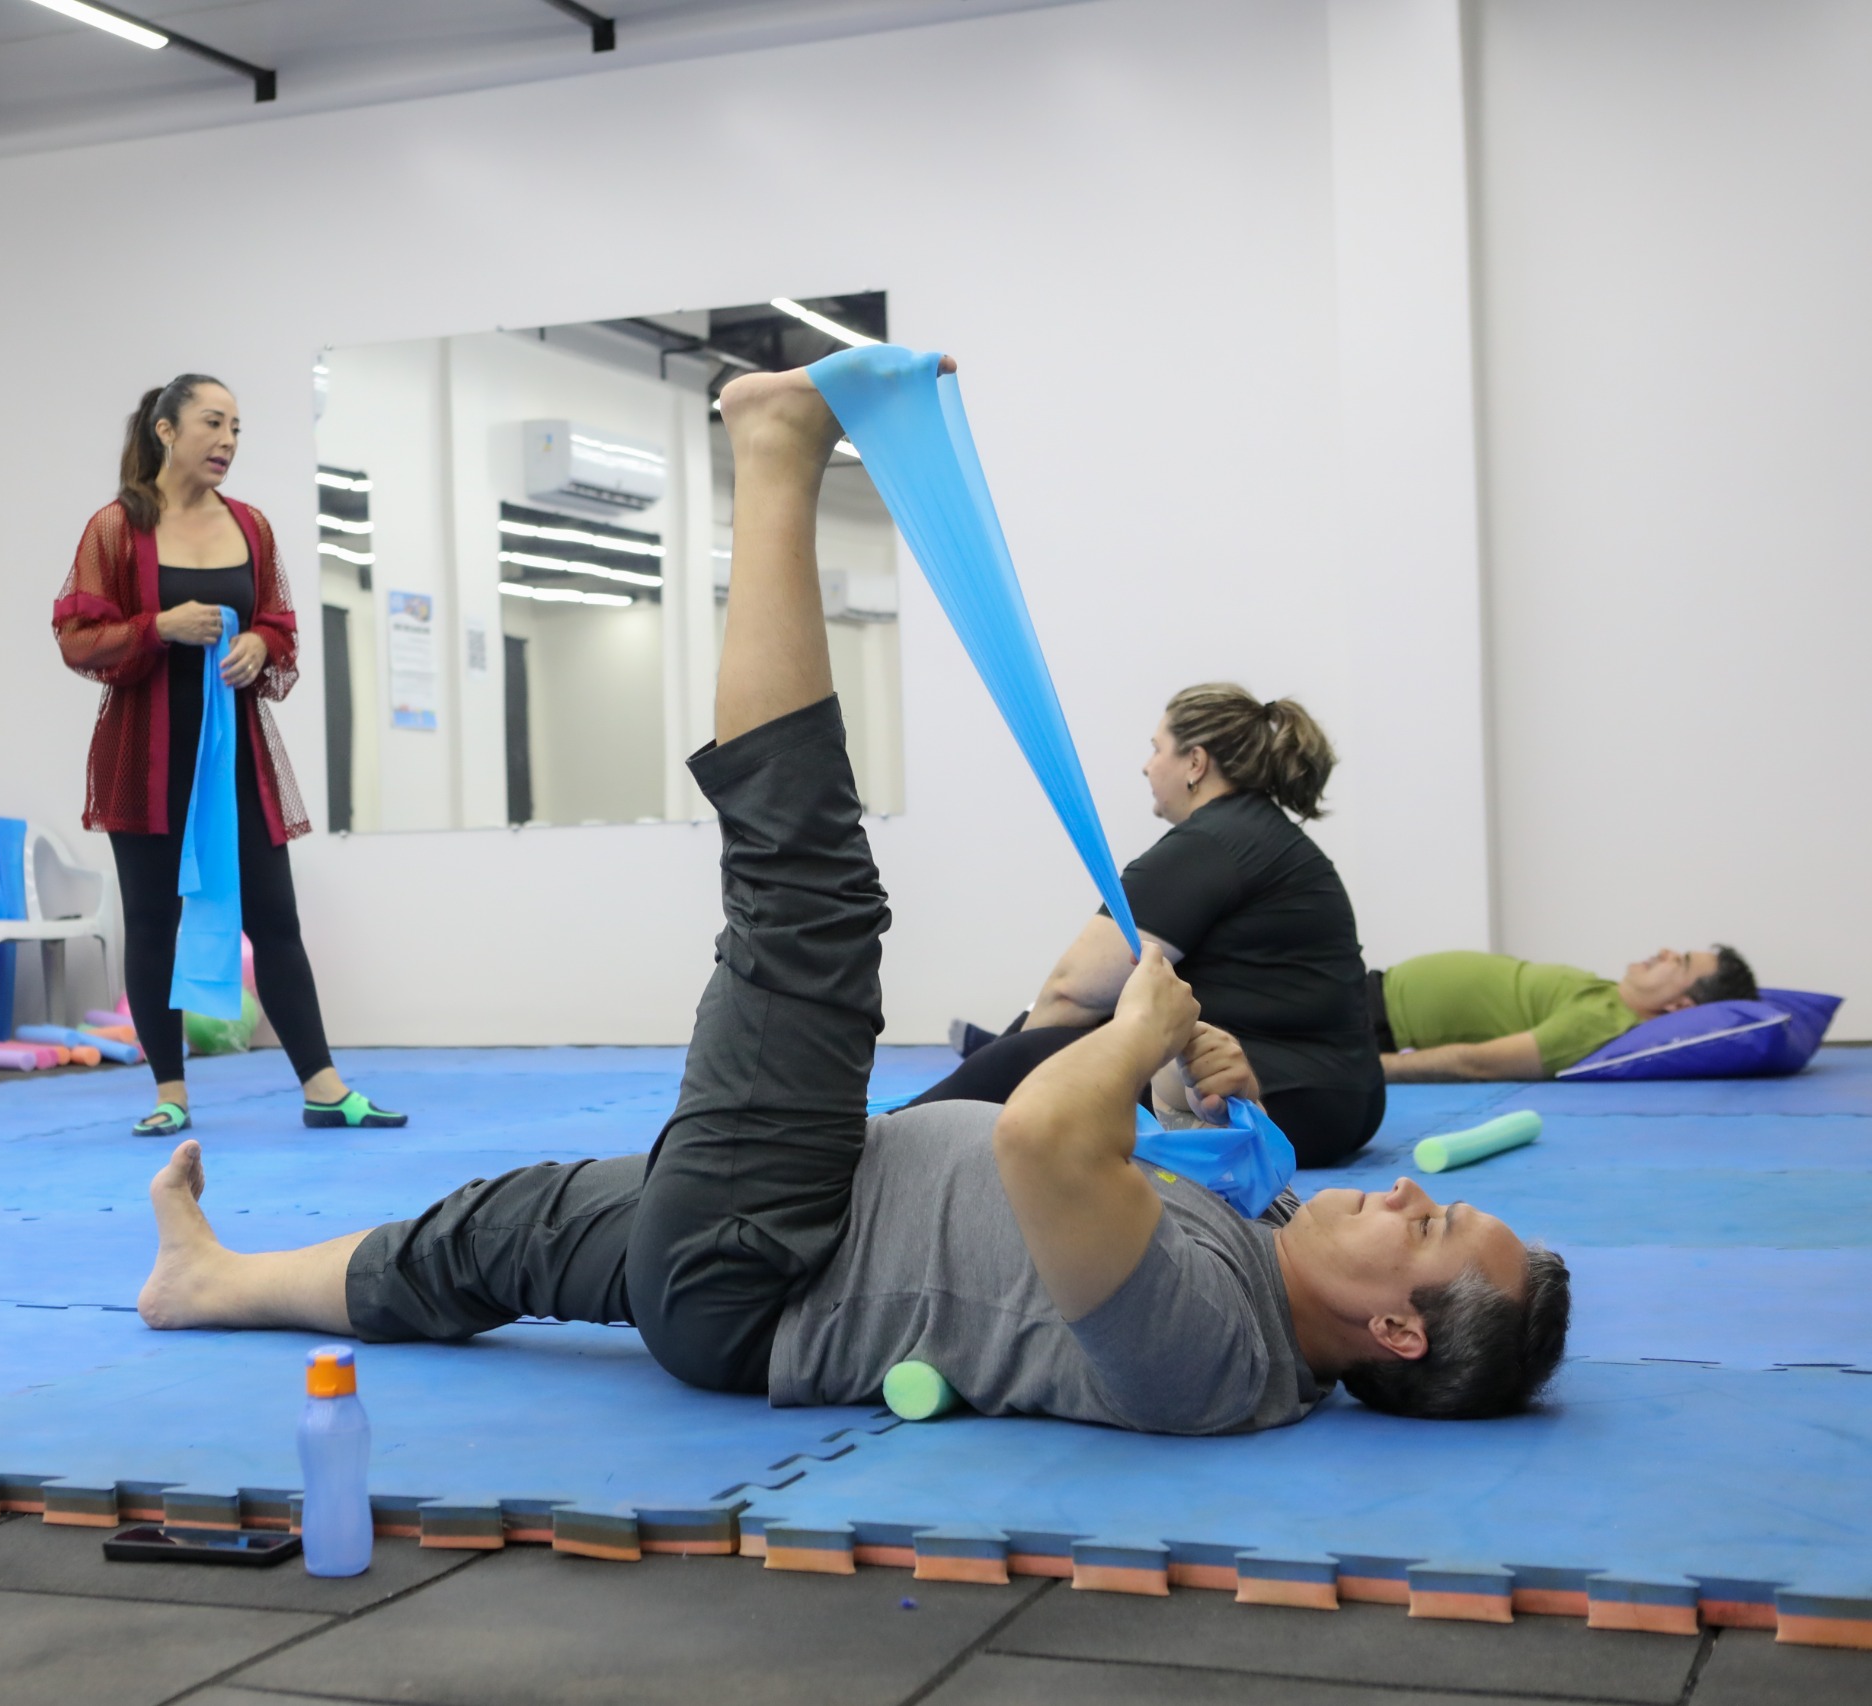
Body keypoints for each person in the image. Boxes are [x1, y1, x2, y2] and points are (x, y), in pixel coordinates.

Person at [132, 360, 1569, 1433]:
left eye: (1429, 1228)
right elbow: (1107, 1185)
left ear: (1393, 1330)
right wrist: (1201, 1084)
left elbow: (1046, 1143)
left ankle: (773, 450)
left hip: (770, 1260)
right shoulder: (1260, 1276)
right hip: (799, 1209)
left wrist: (1137, 1029)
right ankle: (210, 1281)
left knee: (810, 902)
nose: (1408, 1190)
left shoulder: (1216, 1359)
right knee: (495, 1233)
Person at [54, 374, 405, 1136]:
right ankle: (170, 1095)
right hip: (145, 763)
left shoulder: (251, 526)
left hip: (235, 758)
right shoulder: (115, 528)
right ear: (166, 430)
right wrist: (159, 627)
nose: (228, 441)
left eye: (237, 428)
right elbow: (77, 639)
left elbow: (281, 625)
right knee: (153, 922)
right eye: (213, 423)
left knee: (275, 917)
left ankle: (324, 1088)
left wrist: (259, 645)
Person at [911, 685, 1384, 1168]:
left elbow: (1070, 992)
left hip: (1286, 1103)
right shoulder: (1263, 834)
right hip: (1343, 1103)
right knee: (1081, 1034)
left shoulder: (1211, 843)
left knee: (1035, 1053)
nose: (1146, 766)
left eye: (1157, 749)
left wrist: (1005, 1070)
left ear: (1195, 762)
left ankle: (898, 1137)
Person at [1375, 946, 1757, 1082]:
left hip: (1374, 1021)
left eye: (1680, 961)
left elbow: (1478, 1064)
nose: (1665, 951)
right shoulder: (1610, 997)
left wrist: (1370, 1066)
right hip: (1374, 996)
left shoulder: (1598, 1024)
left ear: (1681, 1005)